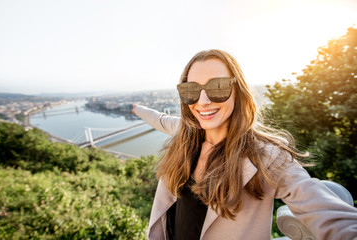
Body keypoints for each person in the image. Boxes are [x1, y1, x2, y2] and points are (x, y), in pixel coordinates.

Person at [132, 49, 357, 240]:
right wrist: (135, 109)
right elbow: (160, 119)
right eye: (191, 90)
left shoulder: (266, 156)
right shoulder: (187, 134)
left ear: (238, 90)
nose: (202, 101)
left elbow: (324, 210)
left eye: (217, 87)